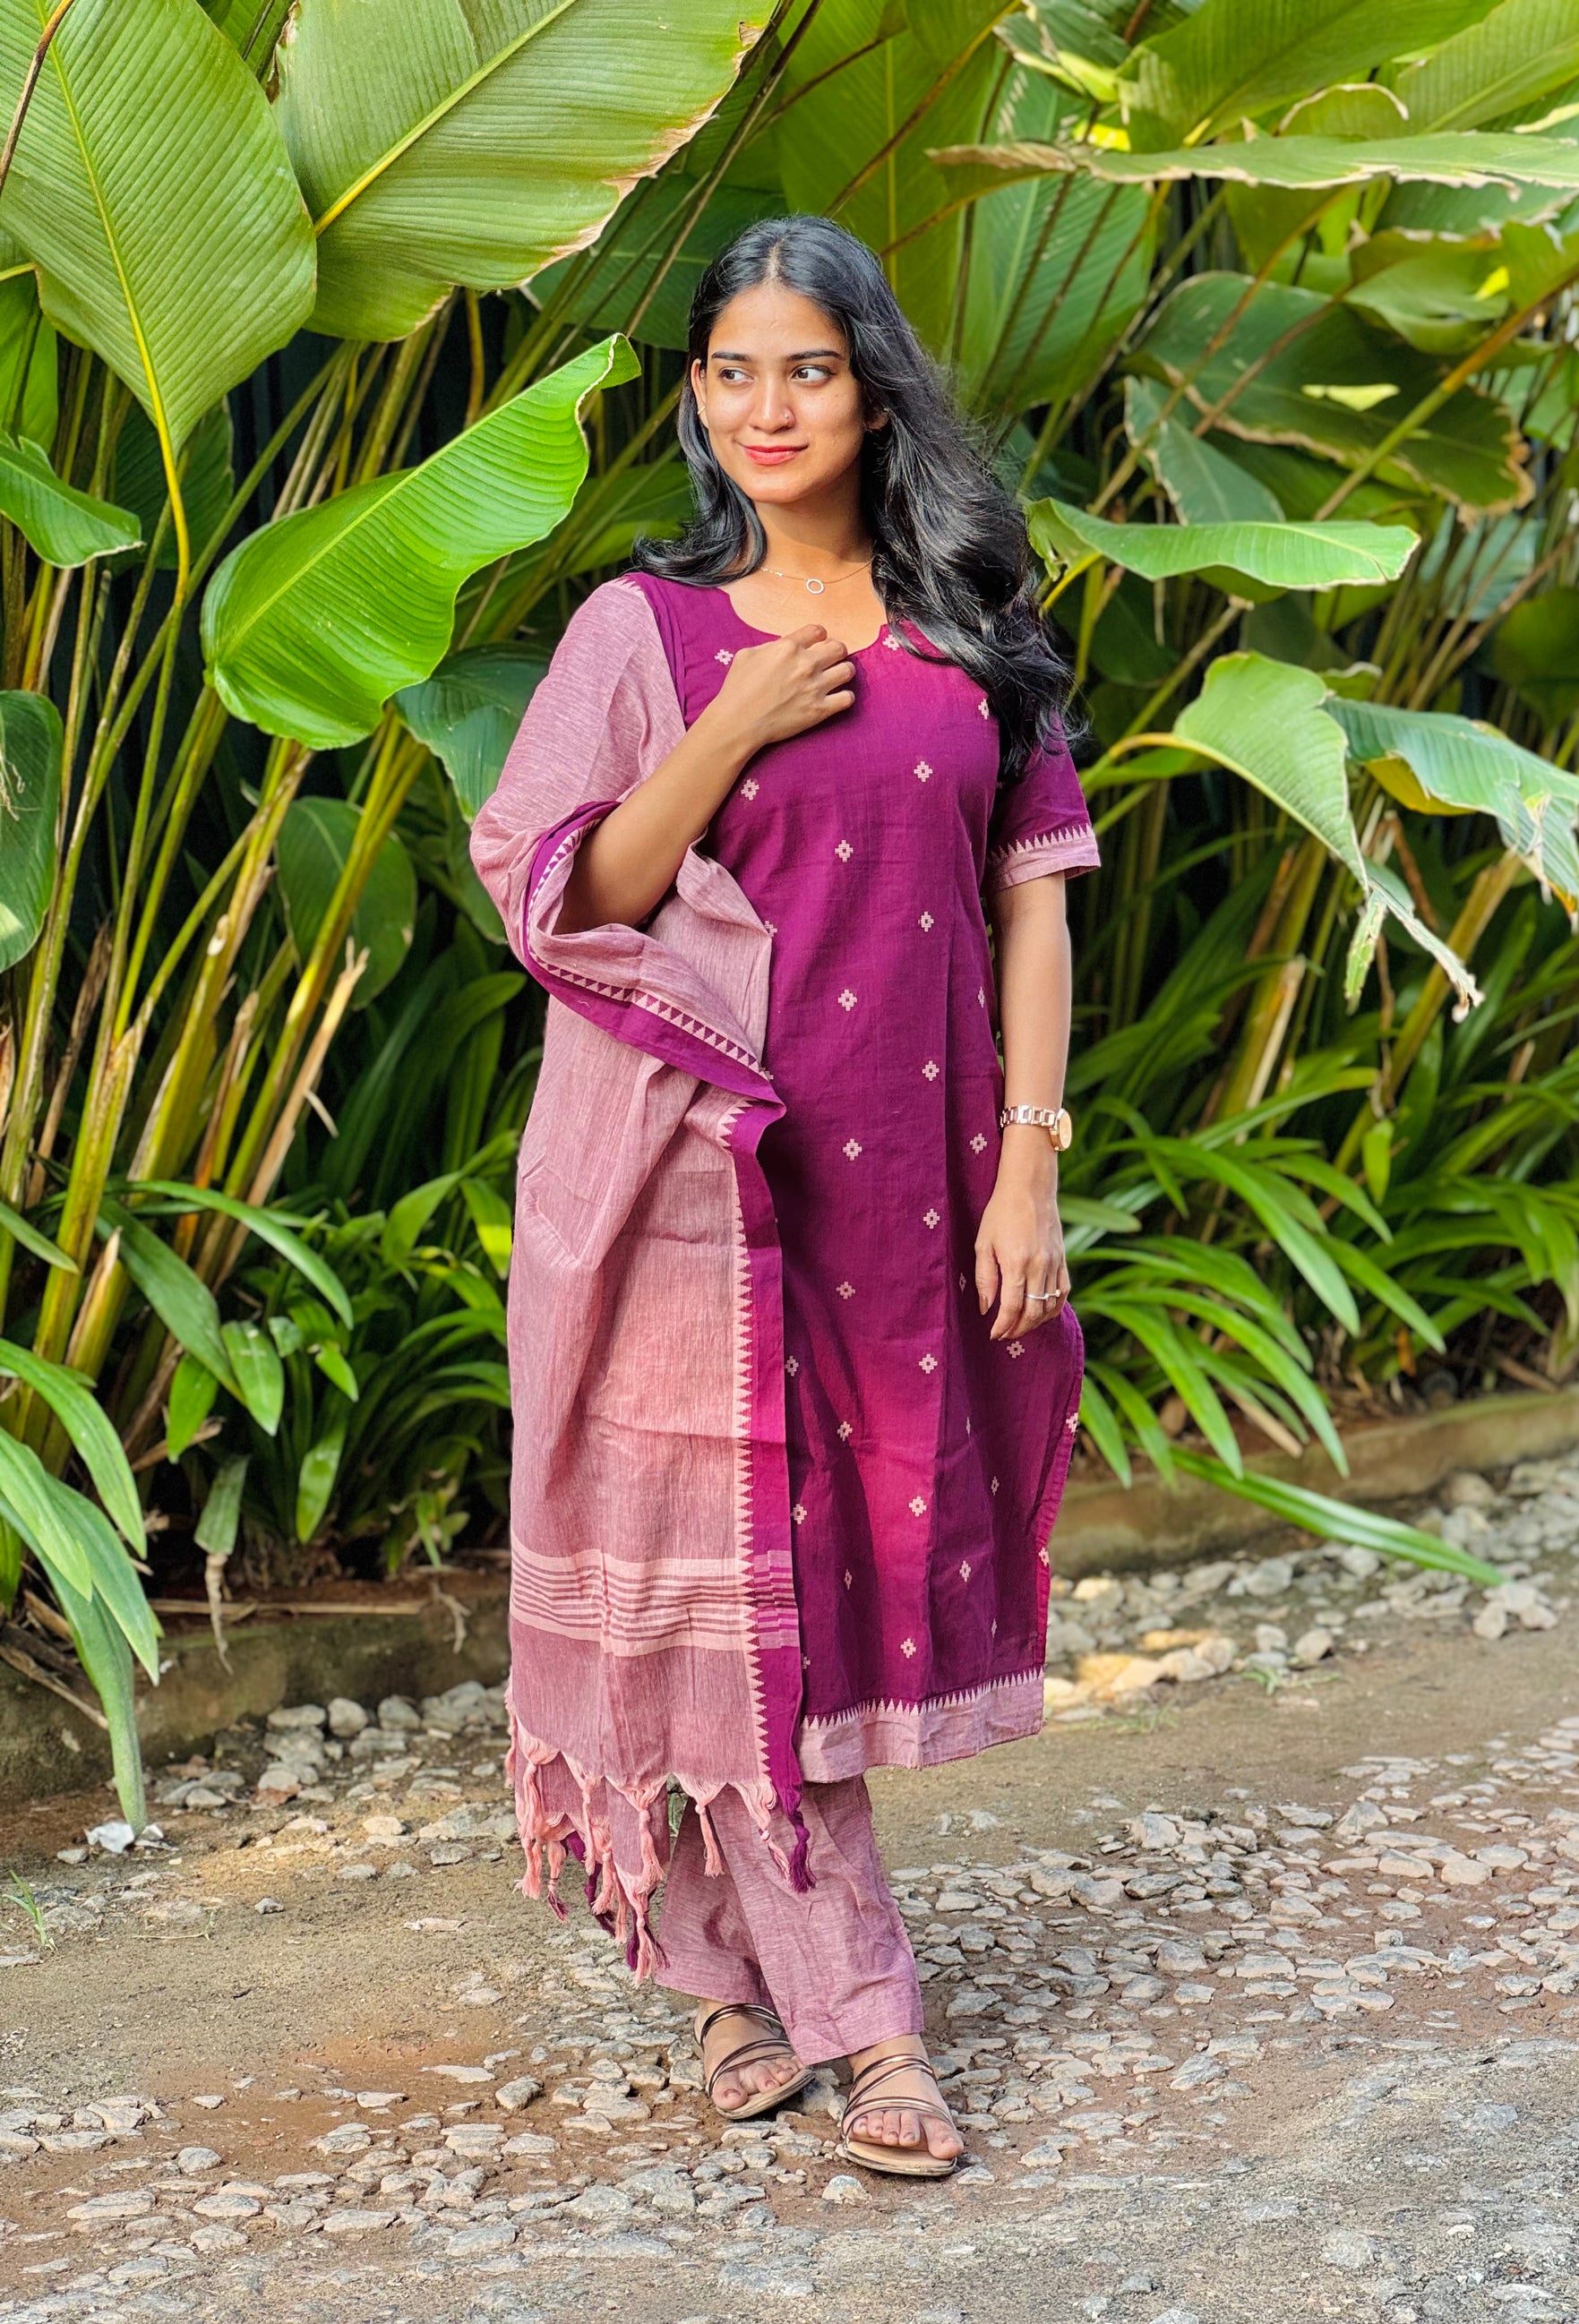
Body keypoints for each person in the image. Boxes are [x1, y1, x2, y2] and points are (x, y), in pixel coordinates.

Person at [470, 212, 1098, 2177]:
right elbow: (566, 891)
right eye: (730, 371)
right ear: (695, 397)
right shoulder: (642, 635)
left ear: (871, 389)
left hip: (906, 1190)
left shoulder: (971, 627)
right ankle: (866, 2017)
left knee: (806, 1588)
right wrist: (731, 725)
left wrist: (1029, 1162)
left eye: (805, 370)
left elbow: (1034, 903)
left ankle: (718, 1973)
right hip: (690, 1194)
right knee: (727, 1597)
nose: (766, 407)